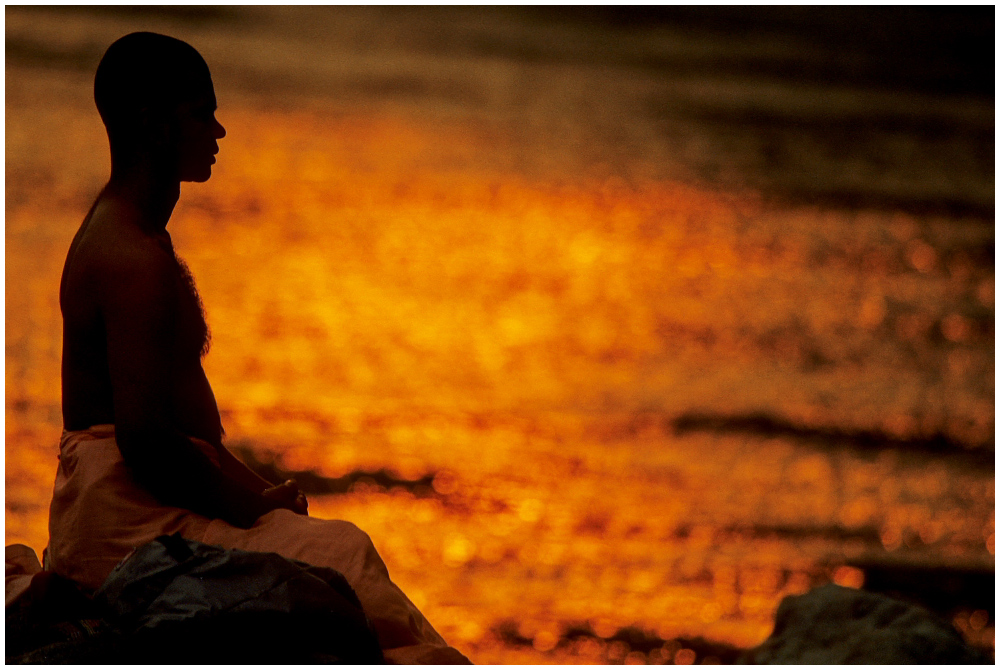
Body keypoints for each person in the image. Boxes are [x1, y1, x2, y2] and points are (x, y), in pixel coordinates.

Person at [48, 32, 470, 664]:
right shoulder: (130, 257)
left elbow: (178, 429)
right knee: (346, 554)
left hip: (137, 500)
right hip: (124, 520)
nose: (219, 131)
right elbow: (146, 441)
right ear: (152, 124)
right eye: (201, 113)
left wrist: (259, 490)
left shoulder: (128, 235)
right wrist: (246, 506)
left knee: (318, 539)